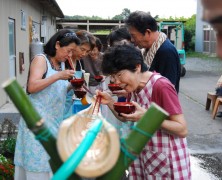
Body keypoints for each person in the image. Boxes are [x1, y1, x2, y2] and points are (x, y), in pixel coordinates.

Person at [96, 44, 191, 179]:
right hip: (146, 157)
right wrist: (110, 101)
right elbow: (127, 117)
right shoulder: (133, 88)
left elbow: (182, 129)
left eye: (119, 75)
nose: (116, 81)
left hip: (168, 163)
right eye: (112, 76)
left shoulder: (161, 86)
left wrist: (147, 117)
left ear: (137, 67)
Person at [14, 29, 80, 180]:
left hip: (54, 122)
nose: (69, 56)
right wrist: (58, 76)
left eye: (72, 53)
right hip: (36, 123)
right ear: (57, 44)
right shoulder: (41, 59)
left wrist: (71, 86)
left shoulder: (61, 65)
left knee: (51, 165)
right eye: (68, 51)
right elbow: (32, 86)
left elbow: (57, 89)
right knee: (37, 166)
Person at [125, 11, 181, 93]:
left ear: (147, 32)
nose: (132, 40)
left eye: (133, 36)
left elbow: (167, 91)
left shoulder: (166, 52)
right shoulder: (146, 50)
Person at [63, 30, 96, 119]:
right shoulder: (63, 61)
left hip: (69, 104)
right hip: (59, 104)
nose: (84, 54)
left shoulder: (79, 62)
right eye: (82, 49)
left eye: (87, 51)